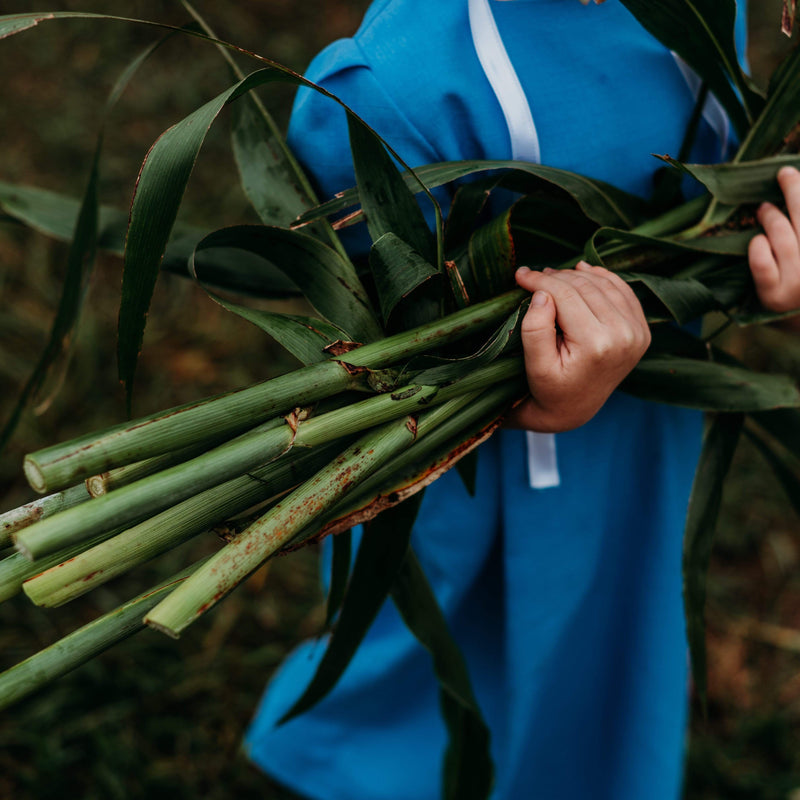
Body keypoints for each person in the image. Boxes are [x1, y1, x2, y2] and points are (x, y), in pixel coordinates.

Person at [245, 2, 800, 798]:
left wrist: (759, 255)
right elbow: (375, 326)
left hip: (647, 424)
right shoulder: (396, 87)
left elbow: (712, 196)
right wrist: (516, 386)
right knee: (459, 666)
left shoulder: (707, 10)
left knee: (619, 626)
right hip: (472, 470)